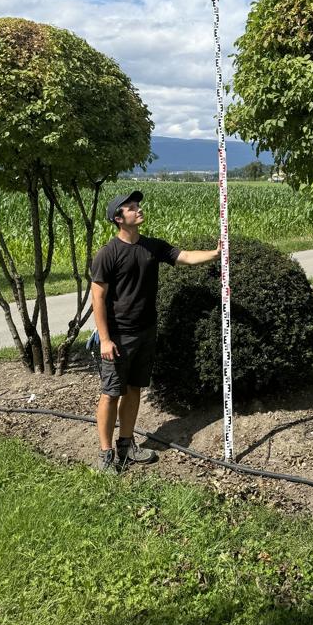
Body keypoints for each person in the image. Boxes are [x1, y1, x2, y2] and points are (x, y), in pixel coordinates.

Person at [90, 190, 221, 473]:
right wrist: (105, 339)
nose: (138, 210)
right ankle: (106, 454)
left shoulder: (152, 246)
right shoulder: (107, 254)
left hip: (146, 331)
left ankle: (126, 444)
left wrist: (215, 254)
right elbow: (97, 298)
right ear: (118, 218)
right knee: (111, 393)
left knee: (134, 389)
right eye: (131, 208)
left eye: (137, 206)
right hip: (118, 336)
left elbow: (184, 256)